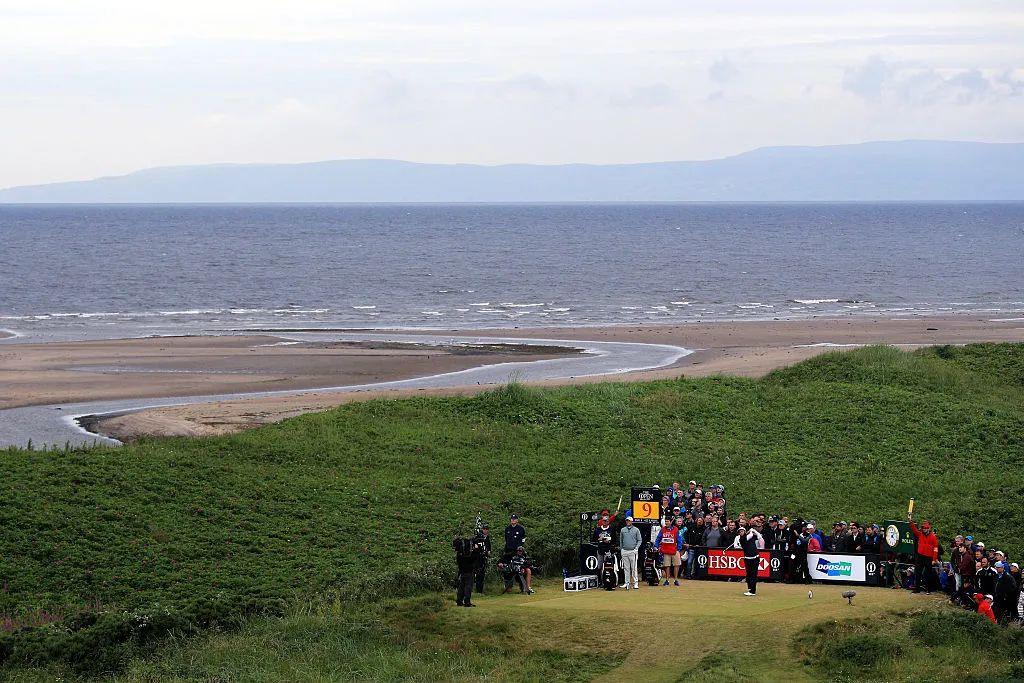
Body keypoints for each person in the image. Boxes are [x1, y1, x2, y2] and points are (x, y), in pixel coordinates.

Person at [908, 515, 939, 594]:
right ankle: (917, 589)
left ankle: (928, 590)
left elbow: (935, 549)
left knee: (928, 574)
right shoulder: (920, 534)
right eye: (923, 528)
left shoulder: (933, 537)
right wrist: (910, 521)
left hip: (928, 557)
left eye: (926, 528)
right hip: (920, 556)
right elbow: (914, 529)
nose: (924, 529)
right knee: (917, 573)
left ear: (929, 528)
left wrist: (934, 559)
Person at [735, 520, 765, 596]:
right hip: (747, 559)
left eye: (742, 531)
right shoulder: (741, 539)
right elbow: (749, 536)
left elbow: (760, 537)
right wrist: (752, 531)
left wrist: (755, 531)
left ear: (745, 531)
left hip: (755, 558)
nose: (741, 532)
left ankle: (752, 591)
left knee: (753, 575)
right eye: (740, 531)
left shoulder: (751, 537)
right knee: (748, 575)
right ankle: (750, 589)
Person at [453, 536, 482, 607]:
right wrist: (476, 550)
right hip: (469, 569)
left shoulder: (460, 553)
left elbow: (459, 562)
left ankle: (459, 600)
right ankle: (467, 601)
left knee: (462, 585)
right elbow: (474, 558)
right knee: (468, 586)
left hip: (462, 569)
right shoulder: (469, 552)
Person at [655, 518, 684, 586]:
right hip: (665, 550)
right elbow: (658, 539)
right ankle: (667, 580)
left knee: (676, 565)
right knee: (667, 565)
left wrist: (678, 549)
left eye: (667, 521)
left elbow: (679, 539)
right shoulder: (663, 529)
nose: (666, 523)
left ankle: (676, 580)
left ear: (671, 522)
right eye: (665, 521)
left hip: (674, 550)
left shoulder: (676, 529)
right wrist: (656, 546)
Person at [619, 515, 643, 590]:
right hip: (624, 551)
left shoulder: (636, 530)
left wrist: (636, 548)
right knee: (626, 568)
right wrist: (622, 549)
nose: (628, 522)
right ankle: (627, 583)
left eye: (629, 521)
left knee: (634, 568)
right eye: (627, 521)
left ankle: (635, 583)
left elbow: (639, 540)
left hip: (633, 551)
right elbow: (621, 540)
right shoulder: (623, 530)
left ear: (631, 521)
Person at [473, 523, 492, 594]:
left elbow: (489, 547)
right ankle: (478, 590)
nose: (485, 530)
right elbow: (474, 543)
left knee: (482, 574)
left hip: (484, 558)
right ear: (482, 529)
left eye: (487, 529)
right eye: (484, 529)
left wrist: (489, 552)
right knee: (478, 574)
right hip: (478, 558)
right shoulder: (478, 536)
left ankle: (480, 590)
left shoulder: (487, 538)